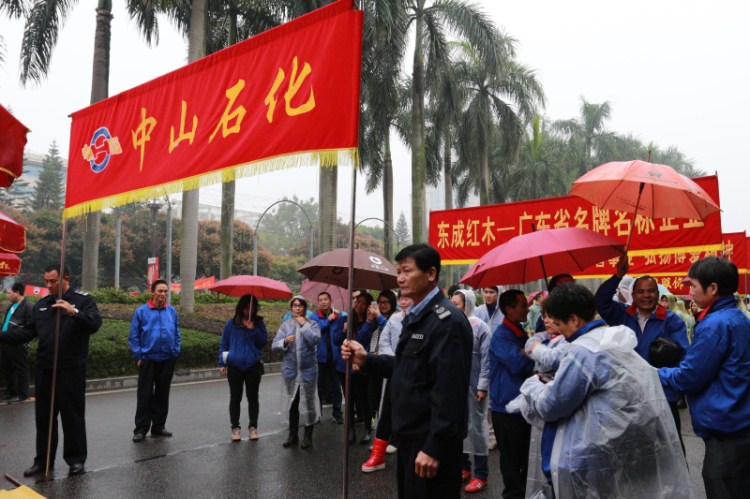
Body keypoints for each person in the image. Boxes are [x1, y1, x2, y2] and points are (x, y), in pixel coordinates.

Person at [514, 283, 692, 499]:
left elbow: (551, 406)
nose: (561, 331)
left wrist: (532, 385)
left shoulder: (583, 351)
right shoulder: (612, 339)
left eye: (560, 324)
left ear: (574, 319)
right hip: (626, 451)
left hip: (593, 459)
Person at [341, 243, 473, 499]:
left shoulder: (448, 322)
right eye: (398, 271)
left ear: (431, 274)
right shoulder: (414, 317)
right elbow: (406, 368)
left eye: (407, 271)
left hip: (429, 445)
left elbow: (451, 391)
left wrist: (435, 447)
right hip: (409, 439)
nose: (400, 278)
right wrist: (367, 359)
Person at [659, 257, 750, 499]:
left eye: (694, 286)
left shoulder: (714, 324)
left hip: (725, 433)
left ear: (713, 288)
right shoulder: (736, 317)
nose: (690, 293)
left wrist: (655, 373)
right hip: (738, 426)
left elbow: (690, 377)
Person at [0, 265, 102, 476]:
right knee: (44, 420)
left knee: (72, 418)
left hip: (71, 369)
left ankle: (76, 460)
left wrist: (74, 312)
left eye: (53, 281)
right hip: (46, 370)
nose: (48, 285)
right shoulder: (42, 305)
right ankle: (43, 461)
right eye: (46, 281)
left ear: (66, 279)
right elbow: (26, 333)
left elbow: (94, 324)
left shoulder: (83, 300)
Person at [594, 255, 690, 450]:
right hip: (627, 397)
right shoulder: (622, 315)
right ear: (633, 294)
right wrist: (618, 275)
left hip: (662, 396)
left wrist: (669, 380)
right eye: (641, 291)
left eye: (650, 291)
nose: (646, 295)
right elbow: (601, 301)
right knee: (634, 452)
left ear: (657, 294)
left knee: (671, 450)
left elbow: (684, 356)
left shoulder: (672, 321)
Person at [490, 289, 535, 499]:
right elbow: (519, 365)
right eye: (523, 306)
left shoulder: (518, 331)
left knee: (524, 458)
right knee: (511, 462)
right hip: (506, 408)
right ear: (509, 310)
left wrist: (526, 351)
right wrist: (530, 352)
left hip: (520, 405)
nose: (528, 309)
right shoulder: (502, 335)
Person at [361, 291, 412, 472]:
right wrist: (395, 362)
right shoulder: (395, 319)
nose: (404, 302)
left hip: (414, 376)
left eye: (408, 298)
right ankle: (378, 456)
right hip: (394, 372)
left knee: (411, 415)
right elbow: (384, 343)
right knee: (386, 412)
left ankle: (408, 454)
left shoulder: (425, 318)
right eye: (401, 298)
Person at [129, 280, 181, 442]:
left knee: (162, 394)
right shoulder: (141, 312)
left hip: (167, 359)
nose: (163, 294)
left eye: (165, 291)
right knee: (144, 395)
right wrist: (139, 356)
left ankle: (158, 427)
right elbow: (134, 336)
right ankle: (141, 429)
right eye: (160, 291)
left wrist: (175, 352)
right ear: (152, 292)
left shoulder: (171, 311)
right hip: (148, 360)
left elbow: (177, 333)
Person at [451, 289, 491, 494]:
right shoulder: (450, 324)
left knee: (477, 429)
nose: (453, 308)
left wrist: (482, 386)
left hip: (475, 388)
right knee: (459, 427)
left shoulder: (480, 327)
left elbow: (487, 359)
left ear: (467, 304)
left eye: (456, 304)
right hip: (455, 387)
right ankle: (464, 467)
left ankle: (481, 474)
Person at [272, 296, 321, 449]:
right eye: (295, 306)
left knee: (309, 403)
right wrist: (285, 341)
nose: (297, 308)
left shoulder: (312, 324)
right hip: (291, 371)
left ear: (305, 308)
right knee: (292, 403)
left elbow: (315, 339)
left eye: (300, 305)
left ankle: (308, 436)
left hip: (308, 371)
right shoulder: (286, 326)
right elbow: (274, 346)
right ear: (291, 308)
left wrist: (304, 325)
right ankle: (292, 434)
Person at [218, 294, 267, 442]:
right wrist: (222, 363)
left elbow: (263, 342)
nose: (248, 311)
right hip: (235, 366)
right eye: (246, 308)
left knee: (253, 398)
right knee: (235, 398)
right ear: (240, 308)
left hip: (253, 366)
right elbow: (224, 344)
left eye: (251, 308)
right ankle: (235, 428)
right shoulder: (231, 324)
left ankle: (253, 427)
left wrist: (254, 329)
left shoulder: (259, 323)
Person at [332, 292, 375, 444]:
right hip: (344, 366)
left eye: (363, 303)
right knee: (349, 398)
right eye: (357, 301)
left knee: (364, 397)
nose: (359, 305)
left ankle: (368, 429)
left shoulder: (371, 322)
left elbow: (365, 342)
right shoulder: (344, 320)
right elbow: (336, 340)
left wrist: (368, 322)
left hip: (362, 367)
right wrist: (344, 330)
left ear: (368, 306)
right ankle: (350, 430)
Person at [362, 290, 397, 425]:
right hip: (373, 361)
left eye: (386, 302)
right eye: (380, 302)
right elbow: (364, 338)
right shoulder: (374, 319)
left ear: (392, 303)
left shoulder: (396, 317)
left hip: (388, 362)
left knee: (387, 395)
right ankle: (377, 420)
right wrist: (369, 321)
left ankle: (388, 425)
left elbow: (392, 332)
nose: (383, 305)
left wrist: (379, 317)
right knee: (373, 393)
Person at [310, 291, 345, 424]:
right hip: (319, 357)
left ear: (331, 301)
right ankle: (318, 413)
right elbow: (314, 331)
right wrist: (328, 320)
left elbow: (341, 334)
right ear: (318, 303)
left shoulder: (339, 316)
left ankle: (338, 413)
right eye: (320, 300)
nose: (323, 302)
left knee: (336, 387)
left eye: (325, 299)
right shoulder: (314, 317)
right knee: (318, 387)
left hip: (335, 357)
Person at [1, 282, 33, 404]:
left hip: (18, 343)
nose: (7, 295)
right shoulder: (11, 306)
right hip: (5, 342)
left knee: (21, 369)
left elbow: (31, 328)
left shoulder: (28, 306)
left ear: (17, 293)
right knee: (7, 369)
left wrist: (24, 340)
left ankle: (22, 394)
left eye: (9, 293)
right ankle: (11, 393)